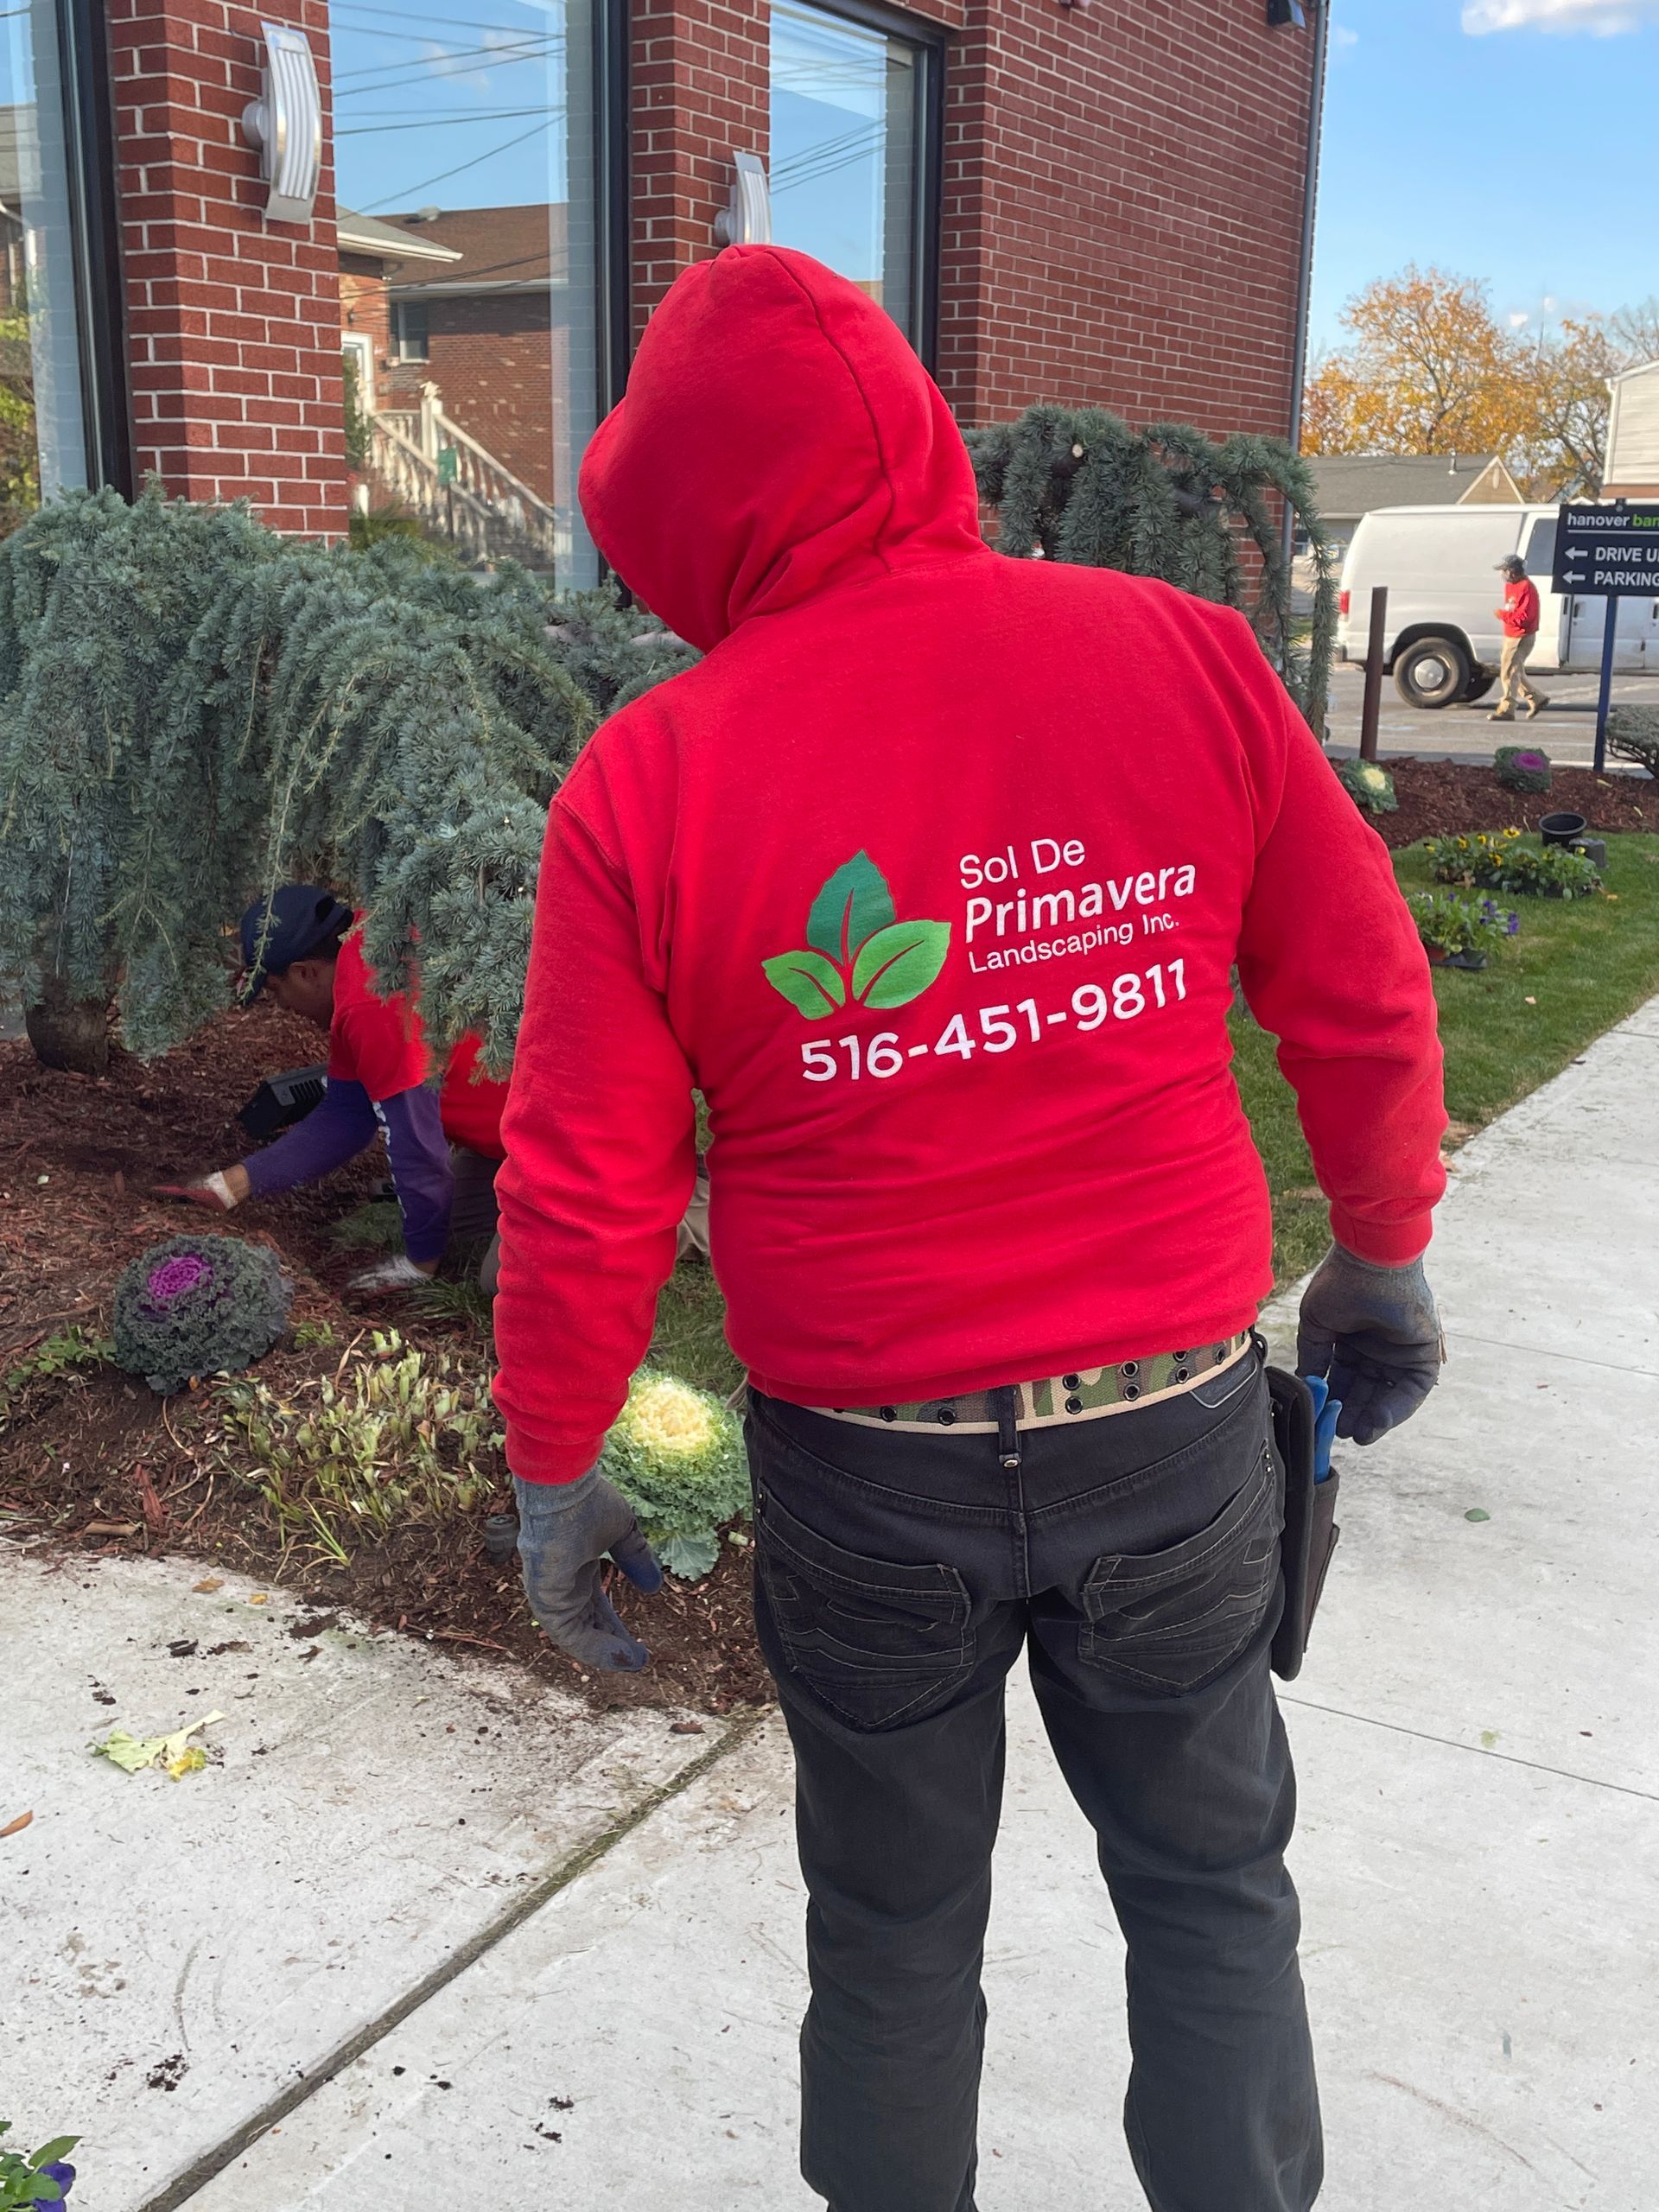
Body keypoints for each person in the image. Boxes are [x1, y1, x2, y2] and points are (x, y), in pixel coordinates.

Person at [492, 247, 1447, 2212]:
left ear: (672, 508)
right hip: (1173, 1437)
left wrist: (551, 1465)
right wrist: (1380, 1243)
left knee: (894, 1937)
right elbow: (1357, 985)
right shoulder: (1174, 656)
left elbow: (587, 1174)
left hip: (871, 1485)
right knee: (1208, 1890)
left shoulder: (648, 780)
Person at [159, 887, 509, 1291]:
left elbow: (416, 1147)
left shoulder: (372, 1002)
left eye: (275, 991)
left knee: (498, 1281)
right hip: (504, 1132)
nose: (282, 1007)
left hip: (562, 1135)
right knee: (462, 1233)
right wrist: (230, 1186)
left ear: (305, 972)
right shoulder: (358, 955)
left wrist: (419, 1264)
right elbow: (345, 1116)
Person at [1491, 551, 1547, 722]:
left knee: (1509, 672)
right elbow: (1512, 609)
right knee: (1514, 671)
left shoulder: (1526, 588)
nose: (1502, 574)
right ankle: (1537, 698)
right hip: (1511, 634)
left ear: (1513, 571)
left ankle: (1507, 709)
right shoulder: (1510, 586)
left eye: (1504, 570)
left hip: (1521, 635)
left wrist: (1502, 615)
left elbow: (1524, 617)